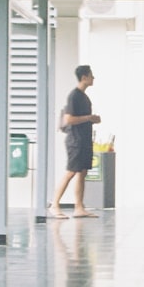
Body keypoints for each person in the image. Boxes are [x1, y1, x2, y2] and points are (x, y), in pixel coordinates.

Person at [49, 65, 101, 219]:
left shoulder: (84, 97)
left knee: (82, 172)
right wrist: (89, 118)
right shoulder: (74, 96)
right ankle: (55, 204)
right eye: (91, 75)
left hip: (84, 140)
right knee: (71, 172)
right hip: (75, 141)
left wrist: (92, 120)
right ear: (84, 77)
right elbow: (68, 119)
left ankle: (79, 207)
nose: (93, 78)